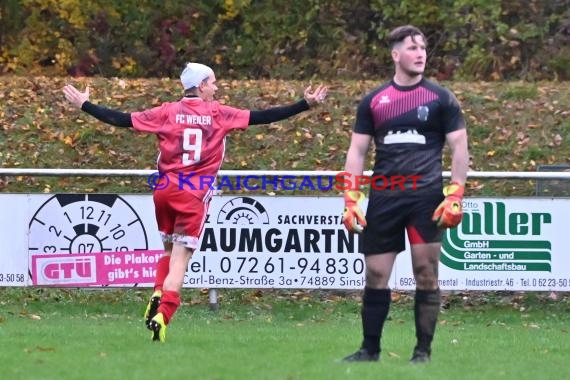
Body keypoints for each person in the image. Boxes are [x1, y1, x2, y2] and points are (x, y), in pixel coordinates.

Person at [62, 62, 328, 343]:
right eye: (213, 82)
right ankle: (163, 315)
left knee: (166, 249)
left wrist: (85, 105)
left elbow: (121, 119)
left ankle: (156, 291)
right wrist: (304, 104)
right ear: (201, 85)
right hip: (194, 193)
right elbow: (264, 116)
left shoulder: (166, 112)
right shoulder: (218, 113)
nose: (217, 87)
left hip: (164, 189)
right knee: (180, 259)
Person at [340, 25, 469, 363]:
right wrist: (351, 198)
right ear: (396, 55)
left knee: (426, 271)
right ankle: (369, 351)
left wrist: (455, 193)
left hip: (425, 197)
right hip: (384, 196)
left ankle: (422, 352)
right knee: (376, 273)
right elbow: (357, 150)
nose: (420, 53)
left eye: (423, 47)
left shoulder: (441, 98)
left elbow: (459, 147)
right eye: (412, 48)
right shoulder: (374, 100)